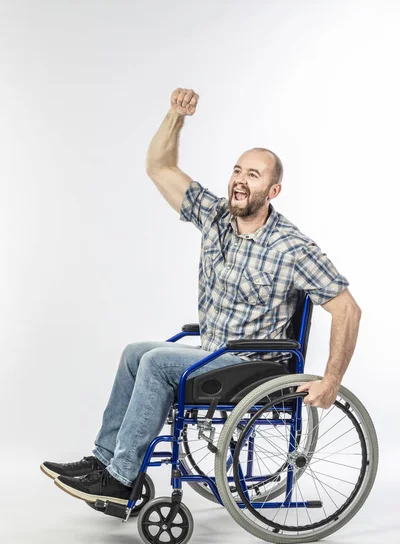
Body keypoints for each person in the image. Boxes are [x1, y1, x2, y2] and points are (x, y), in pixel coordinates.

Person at [41, 87, 362, 507]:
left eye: (253, 175)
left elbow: (347, 310)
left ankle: (121, 479)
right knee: (136, 352)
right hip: (214, 355)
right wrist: (175, 115)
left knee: (157, 362)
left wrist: (331, 380)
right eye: (237, 170)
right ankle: (105, 462)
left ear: (273, 190)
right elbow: (159, 166)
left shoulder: (292, 247)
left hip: (252, 366)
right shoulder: (215, 217)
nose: (240, 180)